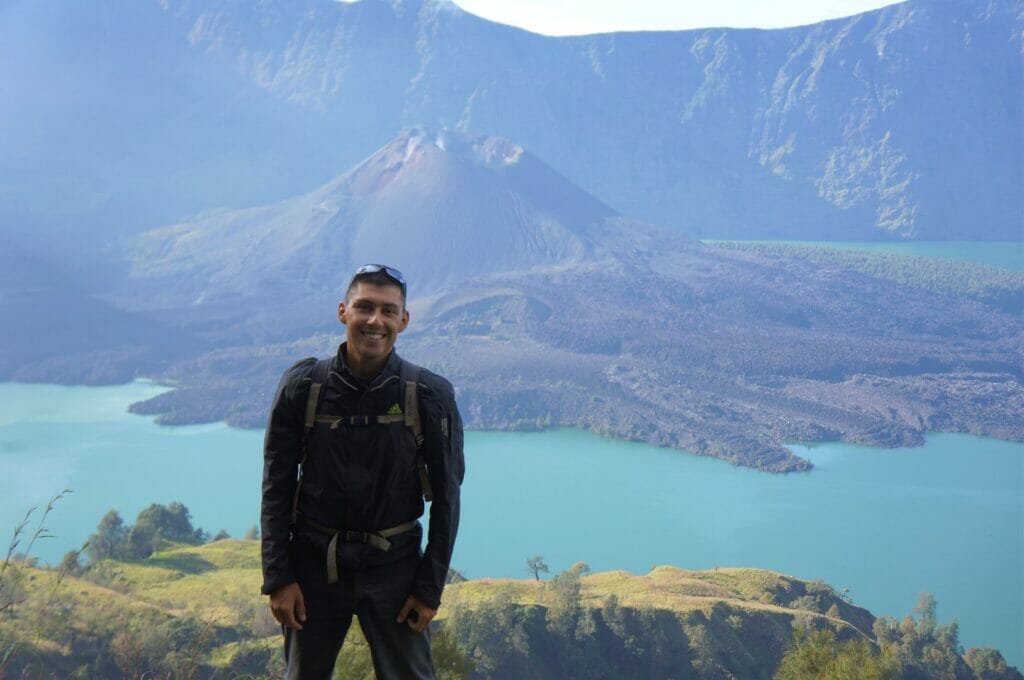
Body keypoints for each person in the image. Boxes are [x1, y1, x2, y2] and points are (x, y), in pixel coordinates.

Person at [261, 264, 464, 679]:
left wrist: (429, 589)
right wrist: (278, 577)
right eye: (364, 307)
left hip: (396, 571)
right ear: (343, 311)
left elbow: (447, 497)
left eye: (389, 311)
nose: (376, 321)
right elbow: (276, 485)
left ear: (403, 321)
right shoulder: (304, 387)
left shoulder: (428, 395)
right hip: (314, 568)